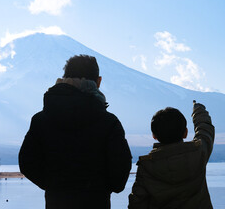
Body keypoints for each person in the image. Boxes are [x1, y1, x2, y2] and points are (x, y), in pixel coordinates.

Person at [19, 55, 132, 209]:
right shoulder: (109, 122)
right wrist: (99, 187)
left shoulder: (40, 120)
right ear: (98, 82)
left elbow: (27, 162)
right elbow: (120, 174)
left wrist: (54, 185)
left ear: (64, 78)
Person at [128, 101, 215, 209]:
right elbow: (205, 131)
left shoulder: (146, 166)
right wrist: (198, 110)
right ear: (185, 132)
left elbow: (137, 203)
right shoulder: (198, 153)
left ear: (154, 135)